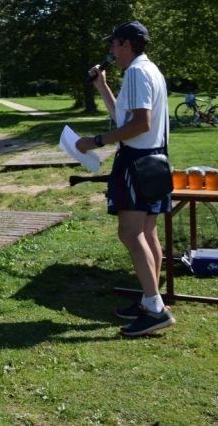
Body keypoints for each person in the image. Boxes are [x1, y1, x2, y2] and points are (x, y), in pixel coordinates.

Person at [75, 20, 175, 337]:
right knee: (147, 232)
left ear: (127, 45)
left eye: (114, 44)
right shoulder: (151, 71)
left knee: (130, 234)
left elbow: (140, 124)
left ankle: (155, 309)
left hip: (137, 163)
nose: (110, 51)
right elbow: (126, 118)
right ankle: (150, 300)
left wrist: (97, 141)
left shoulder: (135, 72)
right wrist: (102, 86)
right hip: (156, 161)